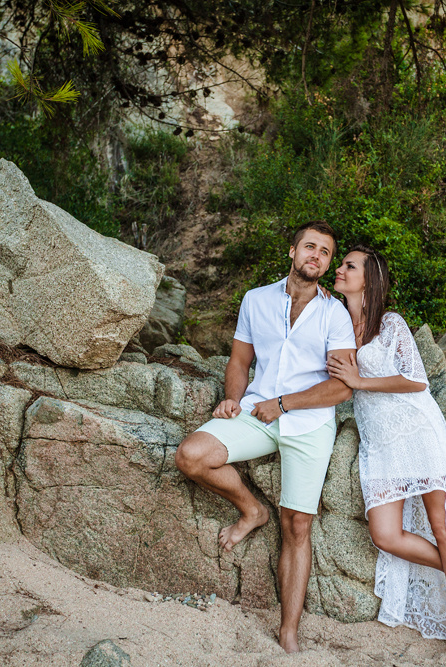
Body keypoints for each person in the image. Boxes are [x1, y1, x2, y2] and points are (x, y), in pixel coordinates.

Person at [174, 221, 357, 653]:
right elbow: (240, 360)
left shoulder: (335, 314)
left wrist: (287, 403)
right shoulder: (256, 300)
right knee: (191, 455)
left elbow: (341, 387)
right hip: (256, 412)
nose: (316, 255)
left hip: (309, 422)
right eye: (309, 247)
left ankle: (288, 634)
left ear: (328, 263)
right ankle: (252, 510)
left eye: (325, 252)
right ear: (292, 252)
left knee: (297, 525)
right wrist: (231, 399)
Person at [326, 245, 446, 655]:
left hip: (417, 432)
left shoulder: (390, 324)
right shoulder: (337, 323)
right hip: (380, 445)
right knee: (385, 535)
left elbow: (415, 381)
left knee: (442, 527)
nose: (340, 269)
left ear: (369, 279)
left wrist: (360, 382)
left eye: (348, 266)